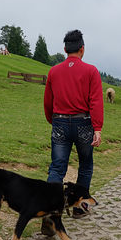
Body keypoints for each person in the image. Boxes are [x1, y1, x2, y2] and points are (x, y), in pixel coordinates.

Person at [42, 29, 103, 224]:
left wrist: (53, 120)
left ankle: (51, 213)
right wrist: (97, 127)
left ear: (65, 49)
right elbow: (95, 101)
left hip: (59, 121)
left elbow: (48, 101)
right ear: (82, 49)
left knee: (57, 167)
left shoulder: (54, 71)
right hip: (83, 123)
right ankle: (79, 208)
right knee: (85, 164)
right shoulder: (91, 71)